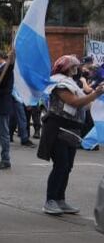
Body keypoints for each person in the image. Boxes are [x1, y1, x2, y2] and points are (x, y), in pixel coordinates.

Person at [38, 55, 104, 215]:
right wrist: (95, 94)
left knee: (67, 167)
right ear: (65, 67)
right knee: (60, 165)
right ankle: (50, 200)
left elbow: (85, 104)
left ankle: (60, 199)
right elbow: (73, 102)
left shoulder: (72, 83)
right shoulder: (59, 83)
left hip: (72, 131)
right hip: (58, 129)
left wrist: (94, 95)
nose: (76, 69)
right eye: (73, 66)